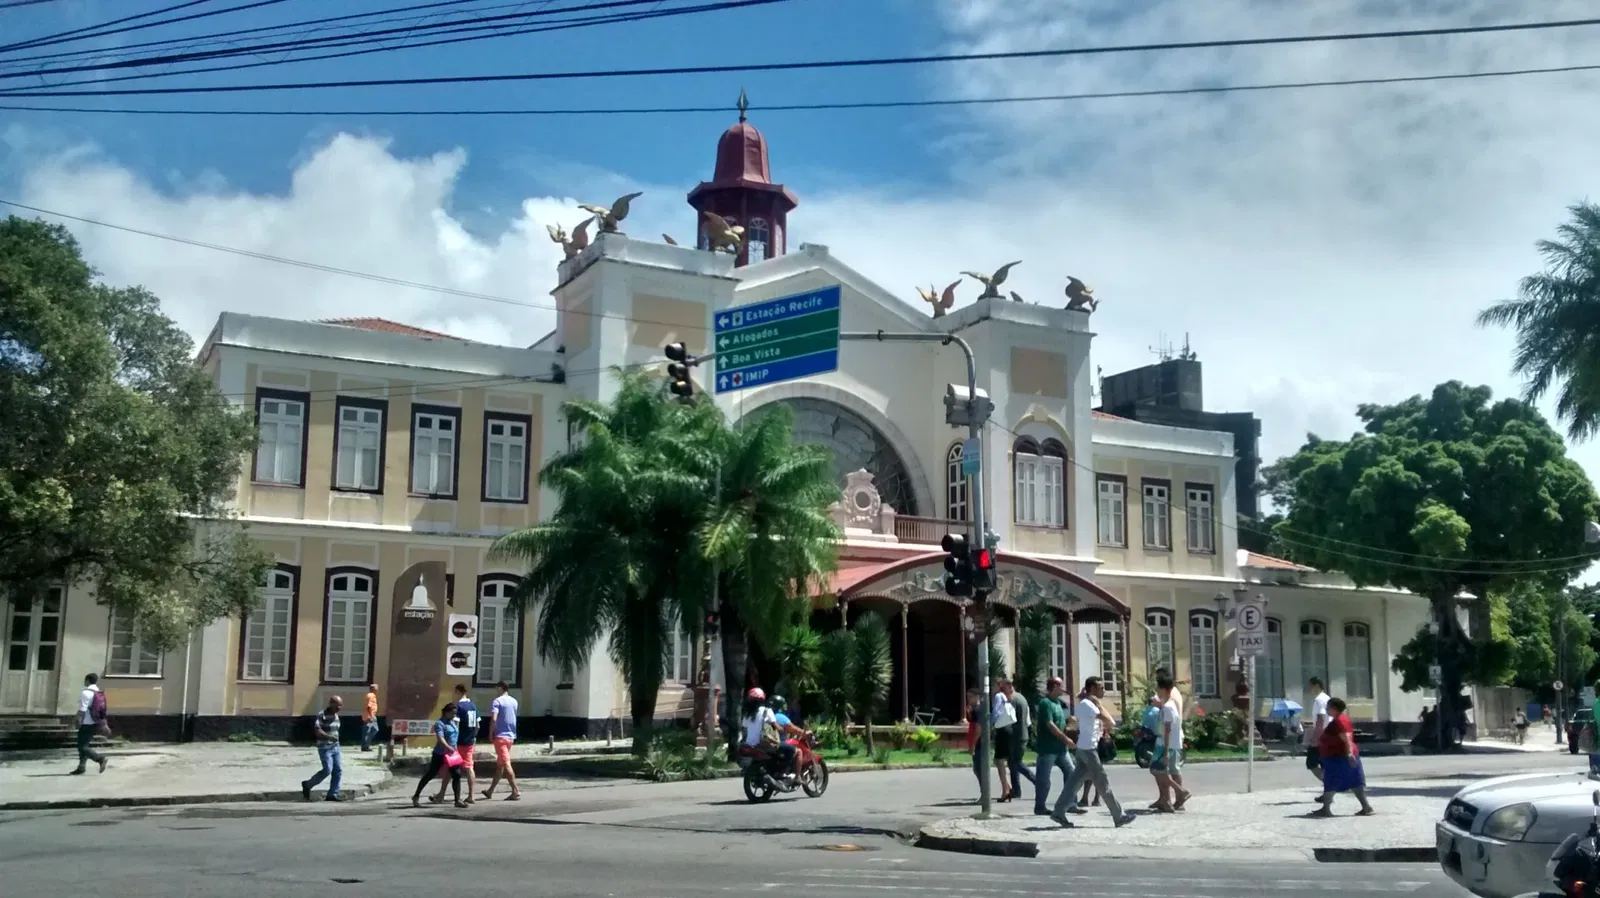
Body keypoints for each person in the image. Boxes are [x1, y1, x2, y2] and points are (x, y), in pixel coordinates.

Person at [1058, 677, 1134, 828]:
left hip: (1083, 748)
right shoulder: (1089, 704)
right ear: (1092, 688)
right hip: (1089, 750)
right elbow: (1110, 721)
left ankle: (1058, 812)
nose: (1103, 690)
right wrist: (1098, 703)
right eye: (1100, 687)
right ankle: (1119, 816)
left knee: (1073, 784)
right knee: (1103, 783)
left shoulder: (1084, 704)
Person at [1313, 697, 1374, 817]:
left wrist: (1349, 753)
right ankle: (1366, 807)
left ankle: (1326, 809)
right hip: (1342, 756)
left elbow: (1346, 738)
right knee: (1355, 782)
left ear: (1334, 708)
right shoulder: (1341, 719)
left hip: (1339, 757)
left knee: (1331, 781)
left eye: (1328, 707)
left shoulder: (1339, 721)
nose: (1326, 709)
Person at [1033, 676, 1078, 819]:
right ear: (1054, 686)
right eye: (1061, 685)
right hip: (1048, 748)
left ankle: (1070, 804)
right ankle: (1040, 807)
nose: (1064, 687)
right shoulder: (1045, 703)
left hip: (1060, 749)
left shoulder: (1059, 703)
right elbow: (1050, 725)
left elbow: (1060, 722)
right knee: (1044, 779)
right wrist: (1065, 739)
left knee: (1072, 773)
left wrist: (1069, 722)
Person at [1150, 672, 1191, 812]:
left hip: (1166, 744)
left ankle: (1180, 792)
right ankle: (1168, 799)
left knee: (1157, 769)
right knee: (1160, 770)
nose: (1156, 689)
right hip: (1167, 742)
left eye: (1158, 687)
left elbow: (1167, 729)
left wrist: (1166, 751)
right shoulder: (1168, 704)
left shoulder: (1168, 706)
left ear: (1165, 689)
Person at [413, 702, 467, 808]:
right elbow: (440, 738)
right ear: (446, 712)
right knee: (431, 774)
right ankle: (416, 795)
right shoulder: (440, 724)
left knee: (456, 775)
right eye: (452, 713)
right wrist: (447, 747)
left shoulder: (453, 723)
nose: (454, 715)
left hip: (452, 754)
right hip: (440, 753)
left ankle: (457, 800)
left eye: (455, 714)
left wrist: (454, 749)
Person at [741, 687, 799, 780]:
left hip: (750, 745)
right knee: (793, 750)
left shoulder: (747, 714)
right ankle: (782, 772)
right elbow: (777, 727)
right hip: (764, 744)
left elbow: (745, 729)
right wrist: (783, 730)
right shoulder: (766, 711)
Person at [435, 685, 478, 804]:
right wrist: (473, 737)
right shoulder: (473, 706)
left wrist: (451, 742)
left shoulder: (458, 707)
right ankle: (471, 795)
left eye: (455, 692)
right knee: (469, 767)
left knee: (450, 767)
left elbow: (456, 726)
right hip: (470, 741)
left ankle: (441, 794)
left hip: (459, 742)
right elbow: (477, 726)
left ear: (458, 692)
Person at [481, 680, 521, 801]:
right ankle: (490, 790)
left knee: (506, 763)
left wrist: (490, 733)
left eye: (497, 688)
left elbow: (494, 719)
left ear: (501, 688)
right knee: (500, 765)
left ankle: (515, 790)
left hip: (500, 736)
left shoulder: (497, 701)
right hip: (511, 736)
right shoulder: (514, 701)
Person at [301, 696, 344, 802]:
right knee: (327, 769)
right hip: (325, 748)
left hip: (335, 747)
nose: (339, 707)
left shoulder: (336, 715)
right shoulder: (322, 715)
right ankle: (307, 784)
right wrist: (330, 737)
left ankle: (333, 794)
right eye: (337, 705)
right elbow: (317, 731)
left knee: (338, 770)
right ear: (331, 704)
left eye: (341, 705)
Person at [1002, 679, 1036, 800]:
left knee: (1017, 763)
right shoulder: (1021, 697)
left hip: (1017, 736)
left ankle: (1037, 782)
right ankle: (1016, 791)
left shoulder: (1013, 700)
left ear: (1010, 686)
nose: (1002, 692)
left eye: (1003, 688)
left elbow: (1009, 719)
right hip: (1022, 734)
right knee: (1013, 763)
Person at [71, 672, 109, 775]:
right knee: (84, 744)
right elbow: (103, 710)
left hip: (87, 722)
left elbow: (82, 710)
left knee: (82, 746)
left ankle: (100, 759)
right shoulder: (99, 693)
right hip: (96, 722)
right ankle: (81, 767)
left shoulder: (86, 692)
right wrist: (104, 724)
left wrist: (76, 719)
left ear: (87, 680)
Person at [990, 680, 1014, 803]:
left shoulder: (999, 696)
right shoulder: (1007, 697)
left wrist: (989, 723)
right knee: (1002, 760)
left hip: (1002, 729)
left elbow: (996, 712)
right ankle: (1008, 787)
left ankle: (1006, 789)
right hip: (1008, 728)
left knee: (999, 760)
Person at [1305, 676, 1331, 784]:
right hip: (1329, 734)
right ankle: (1329, 791)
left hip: (1322, 736)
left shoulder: (1319, 700)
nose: (1308, 689)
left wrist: (1315, 738)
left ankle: (1330, 783)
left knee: (1311, 762)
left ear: (1316, 686)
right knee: (1325, 763)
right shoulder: (1327, 698)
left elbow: (1321, 718)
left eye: (1310, 686)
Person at [361, 683, 380, 752]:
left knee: (374, 730)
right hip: (369, 716)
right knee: (367, 731)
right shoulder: (371, 696)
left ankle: (366, 745)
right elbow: (368, 706)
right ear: (373, 689)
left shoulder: (372, 695)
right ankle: (365, 747)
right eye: (377, 688)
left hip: (371, 715)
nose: (377, 690)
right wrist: (371, 716)